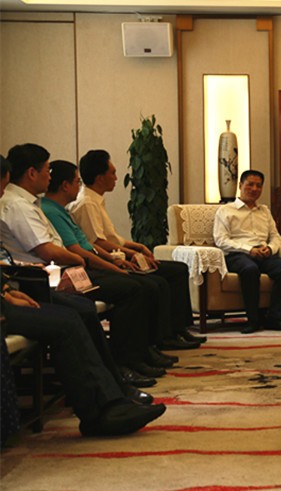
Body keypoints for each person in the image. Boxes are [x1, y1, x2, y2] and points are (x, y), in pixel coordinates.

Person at [0, 154, 165, 436]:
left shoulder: (31, 204)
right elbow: (47, 250)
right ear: (31, 172)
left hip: (18, 289)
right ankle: (99, 412)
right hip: (27, 287)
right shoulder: (17, 205)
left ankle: (113, 396)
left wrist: (5, 291)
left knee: (77, 312)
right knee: (68, 320)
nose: (2, 194)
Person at [42, 160, 181, 374]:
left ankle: (144, 349)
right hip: (73, 273)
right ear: (65, 186)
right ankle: (127, 358)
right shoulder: (52, 210)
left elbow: (89, 246)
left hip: (85, 266)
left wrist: (113, 261)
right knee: (136, 287)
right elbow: (79, 251)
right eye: (77, 182)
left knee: (147, 284)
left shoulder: (59, 209)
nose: (80, 186)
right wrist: (113, 266)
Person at [68, 149, 203, 346]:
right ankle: (166, 335)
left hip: (117, 255)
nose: (116, 178)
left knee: (178, 269)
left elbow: (113, 239)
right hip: (109, 261)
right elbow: (97, 242)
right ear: (100, 178)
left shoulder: (95, 200)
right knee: (163, 278)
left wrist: (137, 247)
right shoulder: (87, 203)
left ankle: (178, 329)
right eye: (112, 173)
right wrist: (132, 254)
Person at [213, 170, 281, 334]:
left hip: (263, 253)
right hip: (237, 254)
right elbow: (221, 240)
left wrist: (270, 248)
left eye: (258, 186)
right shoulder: (225, 210)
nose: (254, 189)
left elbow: (276, 236)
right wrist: (249, 250)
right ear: (240, 186)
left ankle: (274, 318)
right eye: (250, 184)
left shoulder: (264, 211)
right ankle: (253, 320)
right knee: (250, 269)